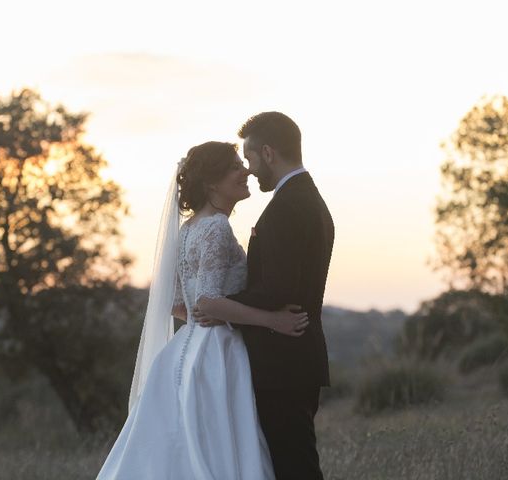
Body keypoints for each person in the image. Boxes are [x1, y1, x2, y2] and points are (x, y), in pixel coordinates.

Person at [97, 141, 309, 479]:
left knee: (187, 445)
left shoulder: (190, 228)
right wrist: (272, 320)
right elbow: (207, 302)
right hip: (216, 354)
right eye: (234, 168)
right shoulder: (215, 227)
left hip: (187, 349)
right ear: (212, 183)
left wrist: (206, 317)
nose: (245, 172)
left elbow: (180, 305)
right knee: (220, 447)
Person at [196, 112, 334, 479]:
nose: (250, 170)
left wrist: (221, 308)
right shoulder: (304, 197)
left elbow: (277, 290)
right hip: (291, 359)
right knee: (289, 463)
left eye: (251, 159)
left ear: (269, 153)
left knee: (295, 467)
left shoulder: (289, 206)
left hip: (283, 362)